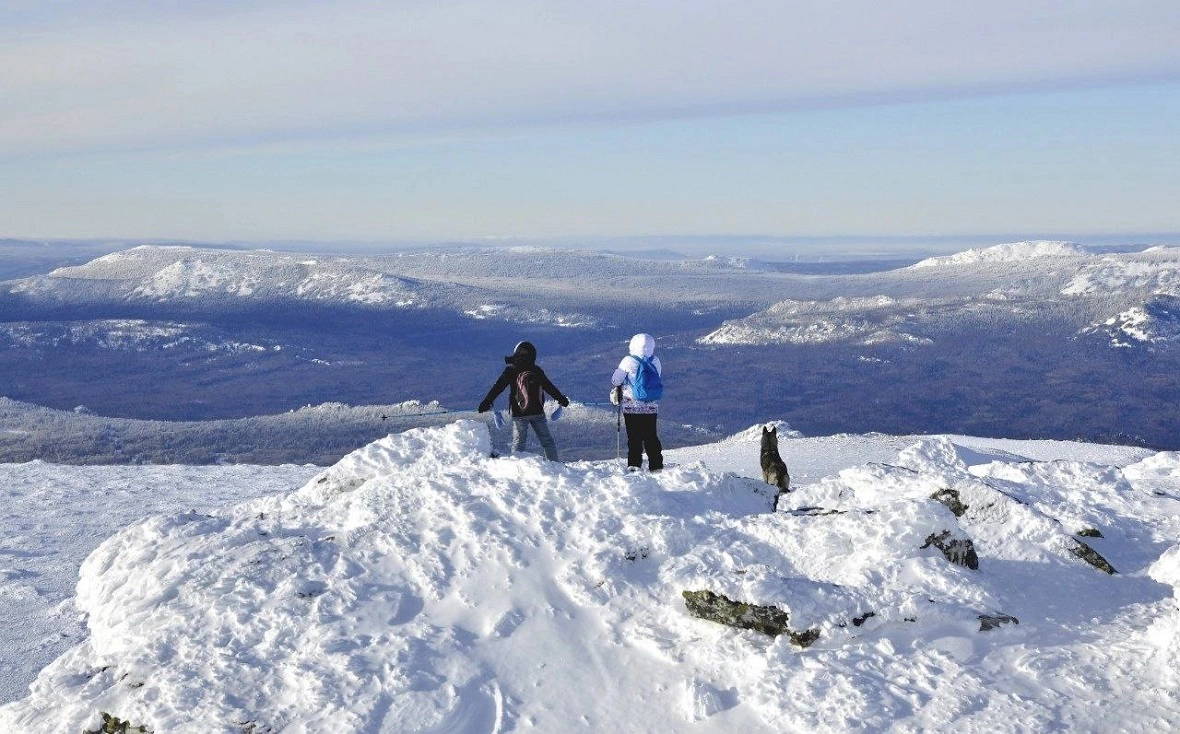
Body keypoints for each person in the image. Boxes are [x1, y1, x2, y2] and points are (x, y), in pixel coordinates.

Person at [478, 341, 569, 461]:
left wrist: (486, 402)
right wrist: (561, 399)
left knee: (519, 443)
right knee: (547, 441)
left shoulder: (511, 370)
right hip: (537, 412)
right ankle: (555, 465)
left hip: (519, 414)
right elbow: (549, 387)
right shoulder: (536, 370)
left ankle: (516, 466)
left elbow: (497, 388)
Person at [611, 333, 663, 472]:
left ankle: (634, 464)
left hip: (631, 406)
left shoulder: (628, 361)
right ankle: (656, 465)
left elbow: (616, 380)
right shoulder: (655, 361)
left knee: (634, 436)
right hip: (651, 405)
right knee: (651, 436)